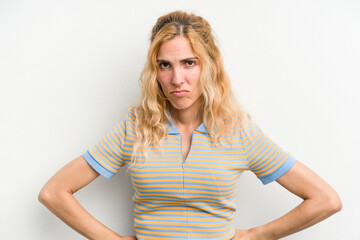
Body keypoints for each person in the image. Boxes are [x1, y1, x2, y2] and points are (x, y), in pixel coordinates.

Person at [38, 10, 342, 240]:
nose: (176, 79)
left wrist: (254, 235)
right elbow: (54, 192)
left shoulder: (239, 132)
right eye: (165, 65)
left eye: (189, 63)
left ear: (209, 65)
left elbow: (325, 200)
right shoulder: (134, 128)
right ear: (155, 71)